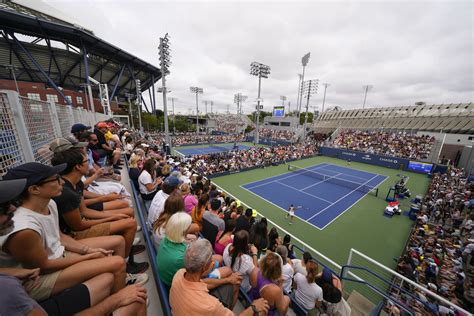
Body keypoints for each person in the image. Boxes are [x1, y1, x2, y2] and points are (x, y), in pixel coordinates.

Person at [0, 163, 131, 302]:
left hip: (58, 255)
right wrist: (86, 257)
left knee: (112, 250)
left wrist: (88, 250)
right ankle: (119, 302)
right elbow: (43, 266)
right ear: (34, 189)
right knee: (116, 264)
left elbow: (59, 236)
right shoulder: (24, 228)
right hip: (39, 278)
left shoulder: (50, 203)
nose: (62, 181)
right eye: (55, 179)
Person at [50, 148, 148, 274]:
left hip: (82, 222)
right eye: (86, 160)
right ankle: (126, 264)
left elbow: (84, 211)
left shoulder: (75, 183)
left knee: (125, 214)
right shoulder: (66, 193)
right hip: (74, 233)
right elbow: (79, 226)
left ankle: (127, 250)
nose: (89, 163)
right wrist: (110, 217)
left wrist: (111, 213)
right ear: (78, 167)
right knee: (129, 223)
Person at [169, 239, 269, 316]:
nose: (213, 262)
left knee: (232, 283)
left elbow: (202, 283)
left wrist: (227, 280)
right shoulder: (211, 305)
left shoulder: (180, 273)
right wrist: (253, 308)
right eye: (210, 259)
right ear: (204, 267)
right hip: (204, 307)